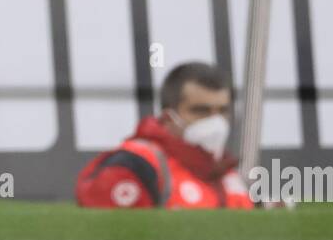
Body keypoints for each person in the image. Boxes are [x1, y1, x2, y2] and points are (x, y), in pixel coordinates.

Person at [75, 62, 253, 209]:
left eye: (223, 111)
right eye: (201, 111)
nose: (216, 121)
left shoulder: (226, 173)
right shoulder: (135, 165)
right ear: (169, 118)